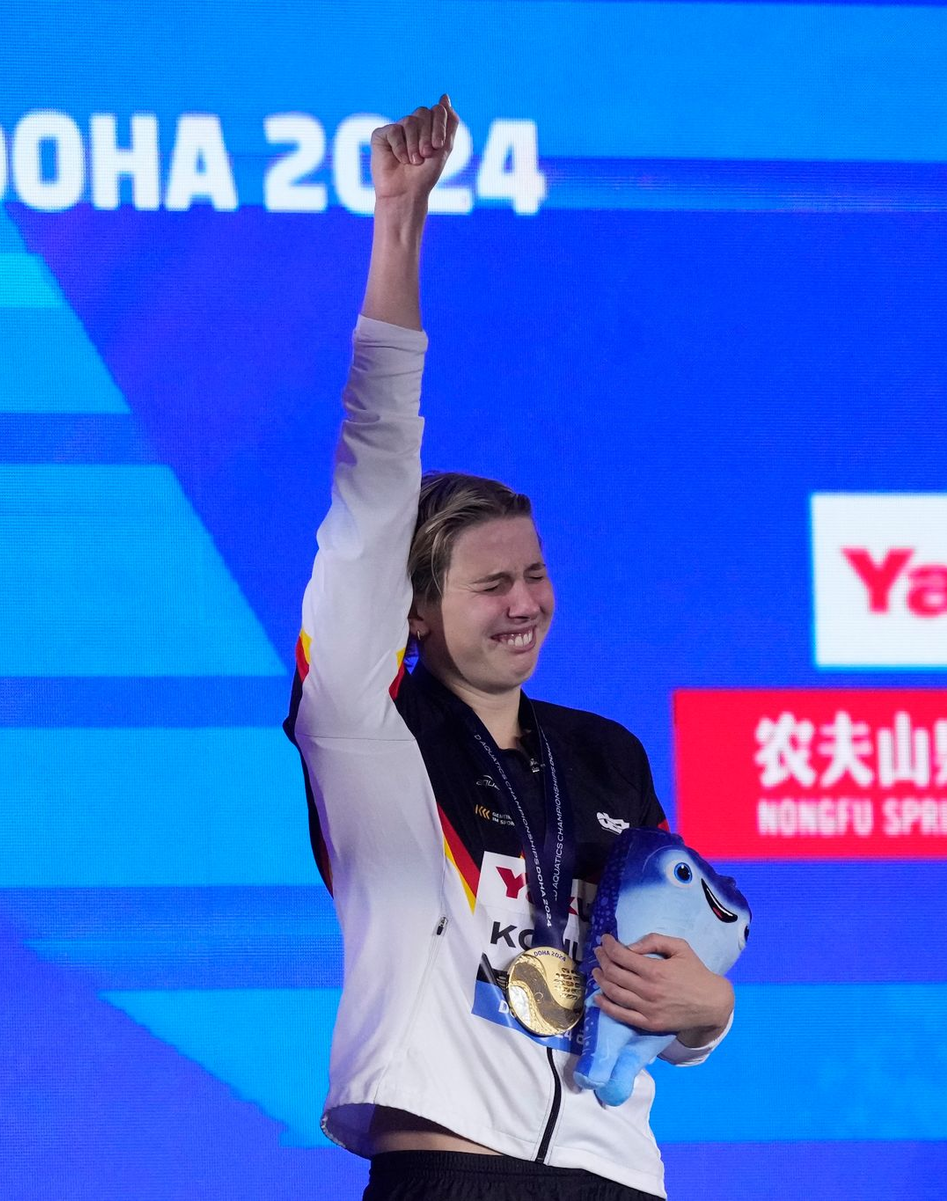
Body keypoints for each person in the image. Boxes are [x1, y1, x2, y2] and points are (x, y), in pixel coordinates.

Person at [284, 95, 736, 1201]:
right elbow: (373, 485)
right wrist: (399, 229)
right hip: (452, 1170)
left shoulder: (606, 754)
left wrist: (709, 1018)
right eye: (491, 584)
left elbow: (664, 971)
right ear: (416, 612)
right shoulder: (365, 726)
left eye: (535, 574)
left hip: (617, 1175)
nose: (525, 602)